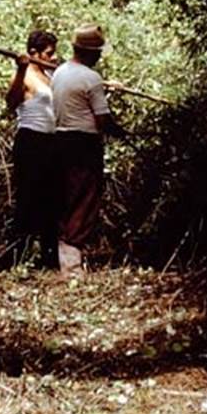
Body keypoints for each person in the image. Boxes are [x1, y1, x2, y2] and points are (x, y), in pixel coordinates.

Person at [51, 24, 125, 276]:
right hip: (83, 144)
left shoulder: (60, 72)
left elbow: (80, 102)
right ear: (89, 52)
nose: (100, 56)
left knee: (68, 198)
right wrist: (121, 132)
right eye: (98, 52)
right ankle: (71, 267)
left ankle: (66, 258)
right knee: (85, 199)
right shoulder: (91, 78)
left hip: (60, 140)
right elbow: (102, 119)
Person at [6, 29, 59, 269]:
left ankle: (49, 257)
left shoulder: (50, 76)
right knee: (27, 199)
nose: (52, 57)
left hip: (50, 142)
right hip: (30, 142)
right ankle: (19, 257)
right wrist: (20, 69)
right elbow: (11, 102)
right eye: (48, 53)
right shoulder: (25, 75)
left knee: (51, 199)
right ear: (33, 53)